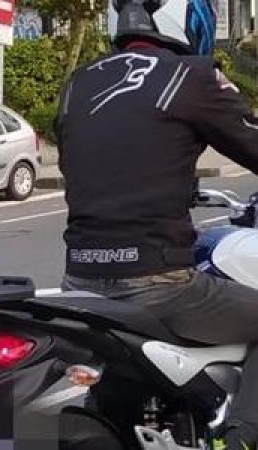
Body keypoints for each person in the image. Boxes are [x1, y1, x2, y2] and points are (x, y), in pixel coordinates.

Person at [54, 1, 258, 448]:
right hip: (156, 282)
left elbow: (84, 165)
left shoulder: (78, 83)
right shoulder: (192, 76)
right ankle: (244, 437)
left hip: (80, 282)